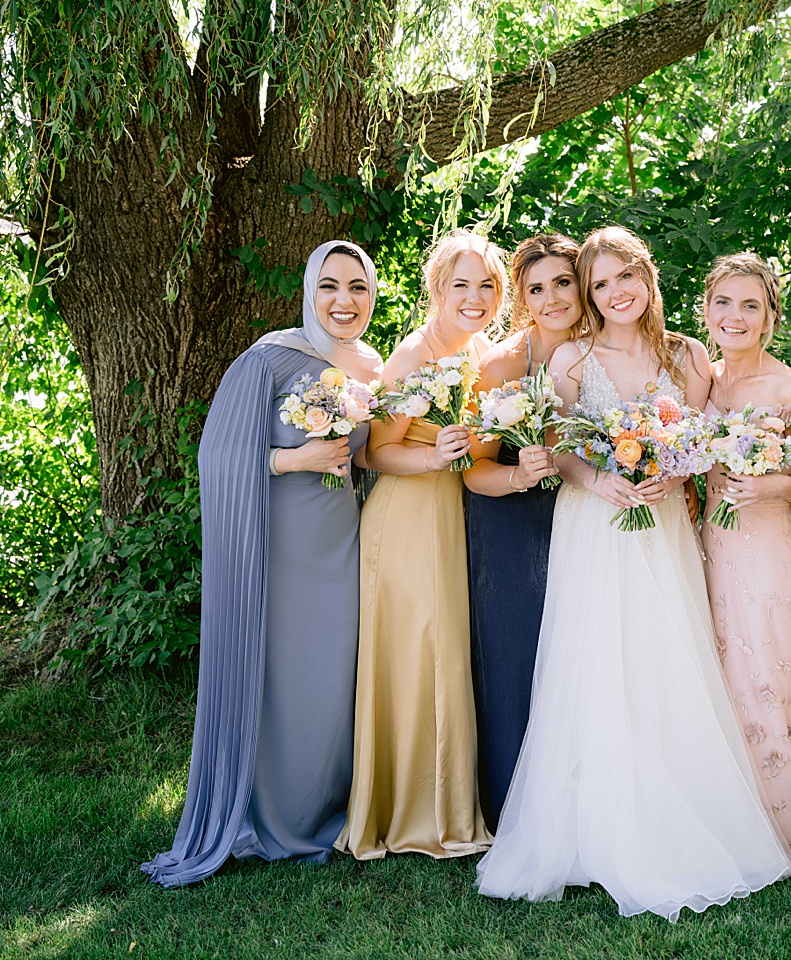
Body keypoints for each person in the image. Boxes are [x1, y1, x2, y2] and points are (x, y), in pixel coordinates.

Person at [475, 226, 791, 920]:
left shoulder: (687, 356)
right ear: (589, 295)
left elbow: (703, 442)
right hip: (596, 524)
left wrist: (672, 469)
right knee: (596, 665)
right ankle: (591, 831)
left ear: (647, 278)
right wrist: (601, 482)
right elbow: (558, 447)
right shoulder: (570, 358)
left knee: (664, 660)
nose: (617, 292)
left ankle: (679, 816)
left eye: (627, 276)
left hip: (666, 528)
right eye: (600, 283)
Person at [142, 241, 383, 887]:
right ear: (310, 291)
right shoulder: (269, 357)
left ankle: (329, 811)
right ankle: (278, 821)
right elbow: (218, 456)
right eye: (330, 286)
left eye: (358, 287)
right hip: (280, 542)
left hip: (343, 539)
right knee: (285, 678)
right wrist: (294, 460)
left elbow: (367, 457)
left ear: (373, 295)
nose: (344, 300)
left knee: (333, 680)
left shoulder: (375, 366)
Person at [335, 229, 502, 860]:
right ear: (437, 288)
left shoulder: (483, 353)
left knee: (444, 653)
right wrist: (435, 455)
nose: (474, 296)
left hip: (449, 519)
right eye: (461, 284)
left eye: (486, 286)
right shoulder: (414, 355)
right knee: (416, 654)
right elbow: (377, 452)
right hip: (405, 520)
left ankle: (447, 803)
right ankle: (412, 815)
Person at [698, 253, 791, 871]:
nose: (736, 316)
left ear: (771, 316)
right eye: (724, 302)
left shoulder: (784, 388)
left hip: (767, 553)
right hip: (707, 546)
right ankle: (730, 820)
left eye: (751, 305)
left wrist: (772, 487)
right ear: (707, 309)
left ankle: (788, 833)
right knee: (719, 679)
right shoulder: (702, 380)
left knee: (767, 683)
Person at [463, 234, 583, 830]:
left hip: (585, 525)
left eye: (563, 281)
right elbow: (473, 472)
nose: (553, 296)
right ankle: (515, 810)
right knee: (517, 658)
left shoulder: (602, 353)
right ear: (522, 300)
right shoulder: (505, 367)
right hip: (514, 526)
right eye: (537, 288)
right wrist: (517, 474)